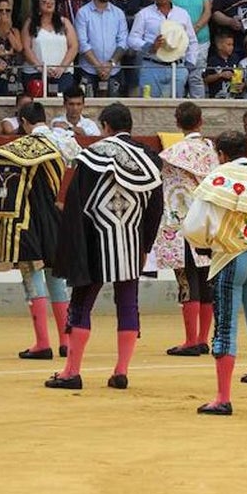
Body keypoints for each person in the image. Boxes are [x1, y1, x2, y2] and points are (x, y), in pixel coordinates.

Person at [45, 103, 163, 391]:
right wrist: (145, 244)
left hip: (95, 240)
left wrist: (75, 247)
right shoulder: (148, 159)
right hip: (131, 240)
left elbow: (77, 204)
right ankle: (121, 371)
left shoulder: (92, 155)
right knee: (128, 303)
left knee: (81, 304)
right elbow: (156, 207)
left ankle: (72, 371)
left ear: (106, 127)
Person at [183, 129, 247, 415]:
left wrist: (207, 244)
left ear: (221, 154)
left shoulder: (217, 179)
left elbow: (193, 227)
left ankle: (223, 398)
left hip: (228, 258)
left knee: (226, 328)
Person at [0, 100, 70, 361]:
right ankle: (66, 342)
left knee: (32, 277)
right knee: (56, 279)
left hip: (27, 222)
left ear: (24, 122)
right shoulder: (63, 142)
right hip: (53, 218)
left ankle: (43, 343)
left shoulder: (15, 149)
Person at [151, 103, 218, 357]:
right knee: (207, 280)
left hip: (182, 226)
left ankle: (191, 340)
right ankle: (202, 339)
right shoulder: (213, 151)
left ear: (178, 123)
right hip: (209, 224)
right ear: (201, 121)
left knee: (187, 282)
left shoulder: (170, 155)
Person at [75, 0, 128, 96]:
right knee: (87, 104)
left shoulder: (118, 13)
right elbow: (82, 43)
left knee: (114, 105)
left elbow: (123, 41)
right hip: (88, 70)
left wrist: (111, 64)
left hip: (113, 71)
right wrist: (98, 66)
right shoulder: (83, 13)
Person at [21, 0, 78, 95]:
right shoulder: (30, 23)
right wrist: (41, 68)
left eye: (52, 1)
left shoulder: (64, 22)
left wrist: (62, 67)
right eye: (44, 1)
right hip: (35, 73)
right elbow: (26, 48)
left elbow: (74, 46)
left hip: (62, 74)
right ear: (37, 5)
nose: (49, 3)